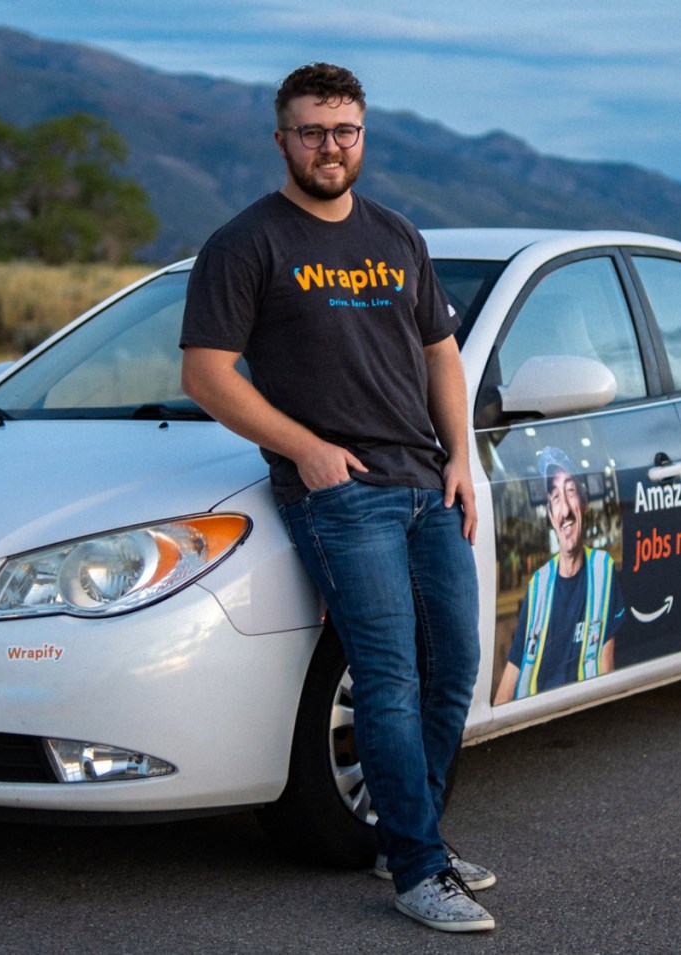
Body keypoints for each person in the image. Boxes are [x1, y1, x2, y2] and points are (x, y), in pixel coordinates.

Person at [179, 63, 495, 933]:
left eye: (345, 130)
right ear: (282, 138)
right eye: (313, 130)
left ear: (364, 136)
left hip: (428, 485)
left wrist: (460, 458)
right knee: (387, 675)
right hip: (342, 495)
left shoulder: (397, 236)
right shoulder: (247, 243)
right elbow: (205, 373)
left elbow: (440, 353)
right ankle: (422, 872)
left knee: (453, 666)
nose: (330, 146)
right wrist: (307, 449)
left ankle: (411, 835)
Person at [495, 447, 625, 704]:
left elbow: (605, 661)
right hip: (532, 715)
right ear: (551, 516)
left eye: (570, 491)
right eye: (555, 498)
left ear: (584, 504)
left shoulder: (602, 569)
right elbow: (514, 669)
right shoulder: (537, 585)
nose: (564, 508)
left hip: (582, 710)